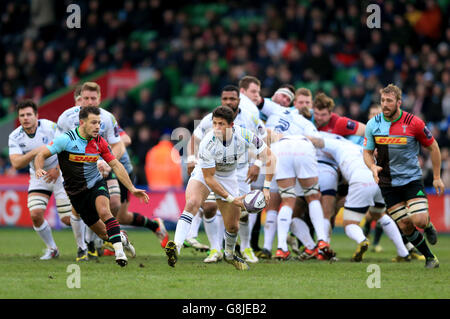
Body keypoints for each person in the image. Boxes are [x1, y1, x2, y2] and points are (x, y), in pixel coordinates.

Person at [34, 106, 149, 267]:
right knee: (103, 233)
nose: (98, 127)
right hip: (76, 193)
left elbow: (115, 164)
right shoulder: (65, 140)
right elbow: (41, 154)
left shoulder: (99, 142)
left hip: (96, 184)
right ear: (82, 123)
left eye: (99, 123)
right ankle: (122, 238)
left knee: (104, 211)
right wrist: (39, 168)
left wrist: (132, 188)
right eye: (94, 123)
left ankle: (119, 254)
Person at [165, 106, 276, 270]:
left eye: (221, 124)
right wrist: (232, 198)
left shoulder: (244, 135)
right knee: (192, 203)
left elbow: (270, 157)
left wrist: (266, 188)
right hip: (205, 174)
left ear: (231, 125)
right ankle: (176, 246)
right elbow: (209, 178)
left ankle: (229, 255)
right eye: (214, 123)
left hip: (229, 177)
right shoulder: (207, 143)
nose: (216, 127)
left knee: (233, 226)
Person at [363, 84, 443, 269]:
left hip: (411, 180)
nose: (385, 104)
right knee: (405, 225)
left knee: (419, 221)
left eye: (389, 101)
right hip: (387, 183)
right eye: (383, 100)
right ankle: (430, 258)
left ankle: (428, 225)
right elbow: (367, 153)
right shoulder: (373, 124)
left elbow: (433, 147)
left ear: (399, 102)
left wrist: (437, 177)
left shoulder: (414, 122)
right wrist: (372, 167)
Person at [188, 85, 267, 264]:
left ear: (239, 99)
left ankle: (246, 247)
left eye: (232, 98)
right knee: (209, 208)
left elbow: (264, 140)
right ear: (221, 100)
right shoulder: (211, 118)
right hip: (215, 170)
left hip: (241, 170)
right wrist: (191, 158)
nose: (229, 102)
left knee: (245, 210)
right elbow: (195, 137)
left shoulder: (251, 117)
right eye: (225, 99)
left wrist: (257, 164)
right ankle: (215, 249)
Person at [308, 132, 410, 262]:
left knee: (349, 224)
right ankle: (403, 252)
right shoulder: (357, 146)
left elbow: (317, 142)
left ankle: (362, 240)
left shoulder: (337, 144)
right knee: (379, 214)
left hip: (361, 178)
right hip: (381, 178)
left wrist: (300, 138)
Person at [8, 100, 81, 260]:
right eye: (22, 115)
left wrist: (57, 169)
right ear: (19, 118)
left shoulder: (50, 127)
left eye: (29, 114)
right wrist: (35, 152)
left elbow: (68, 147)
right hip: (38, 175)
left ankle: (89, 243)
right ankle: (52, 249)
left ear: (36, 116)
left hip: (61, 170)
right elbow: (16, 163)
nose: (25, 118)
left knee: (68, 219)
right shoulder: (14, 136)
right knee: (35, 214)